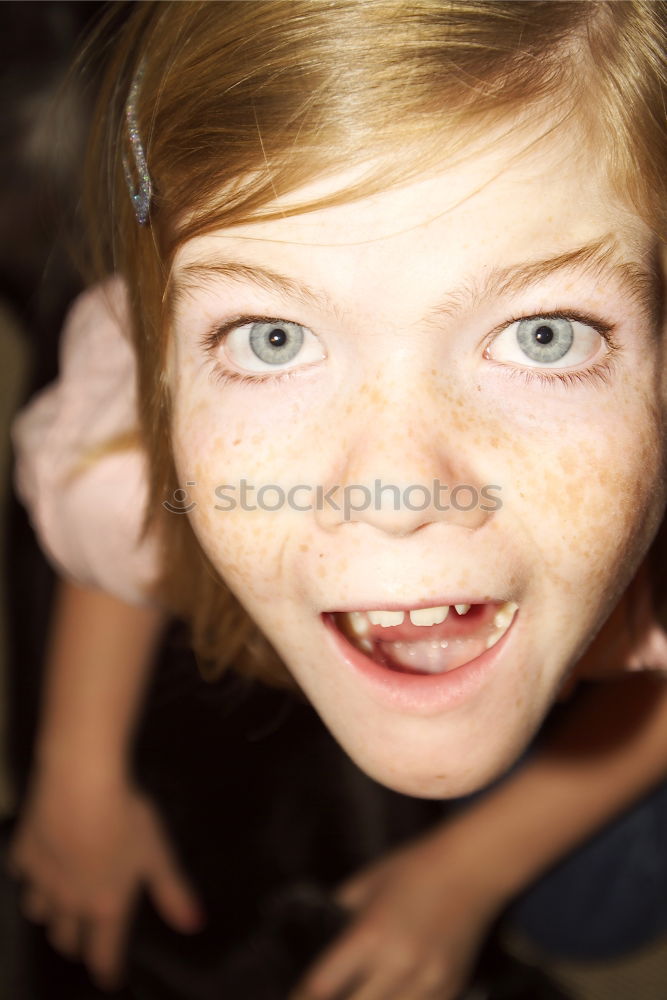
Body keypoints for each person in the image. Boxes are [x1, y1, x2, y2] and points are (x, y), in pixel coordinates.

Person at [9, 2, 667, 997]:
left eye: (544, 335)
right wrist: (78, 774)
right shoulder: (136, 466)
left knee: (589, 909)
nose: (392, 495)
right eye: (272, 338)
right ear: (161, 361)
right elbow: (121, 537)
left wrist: (469, 870)